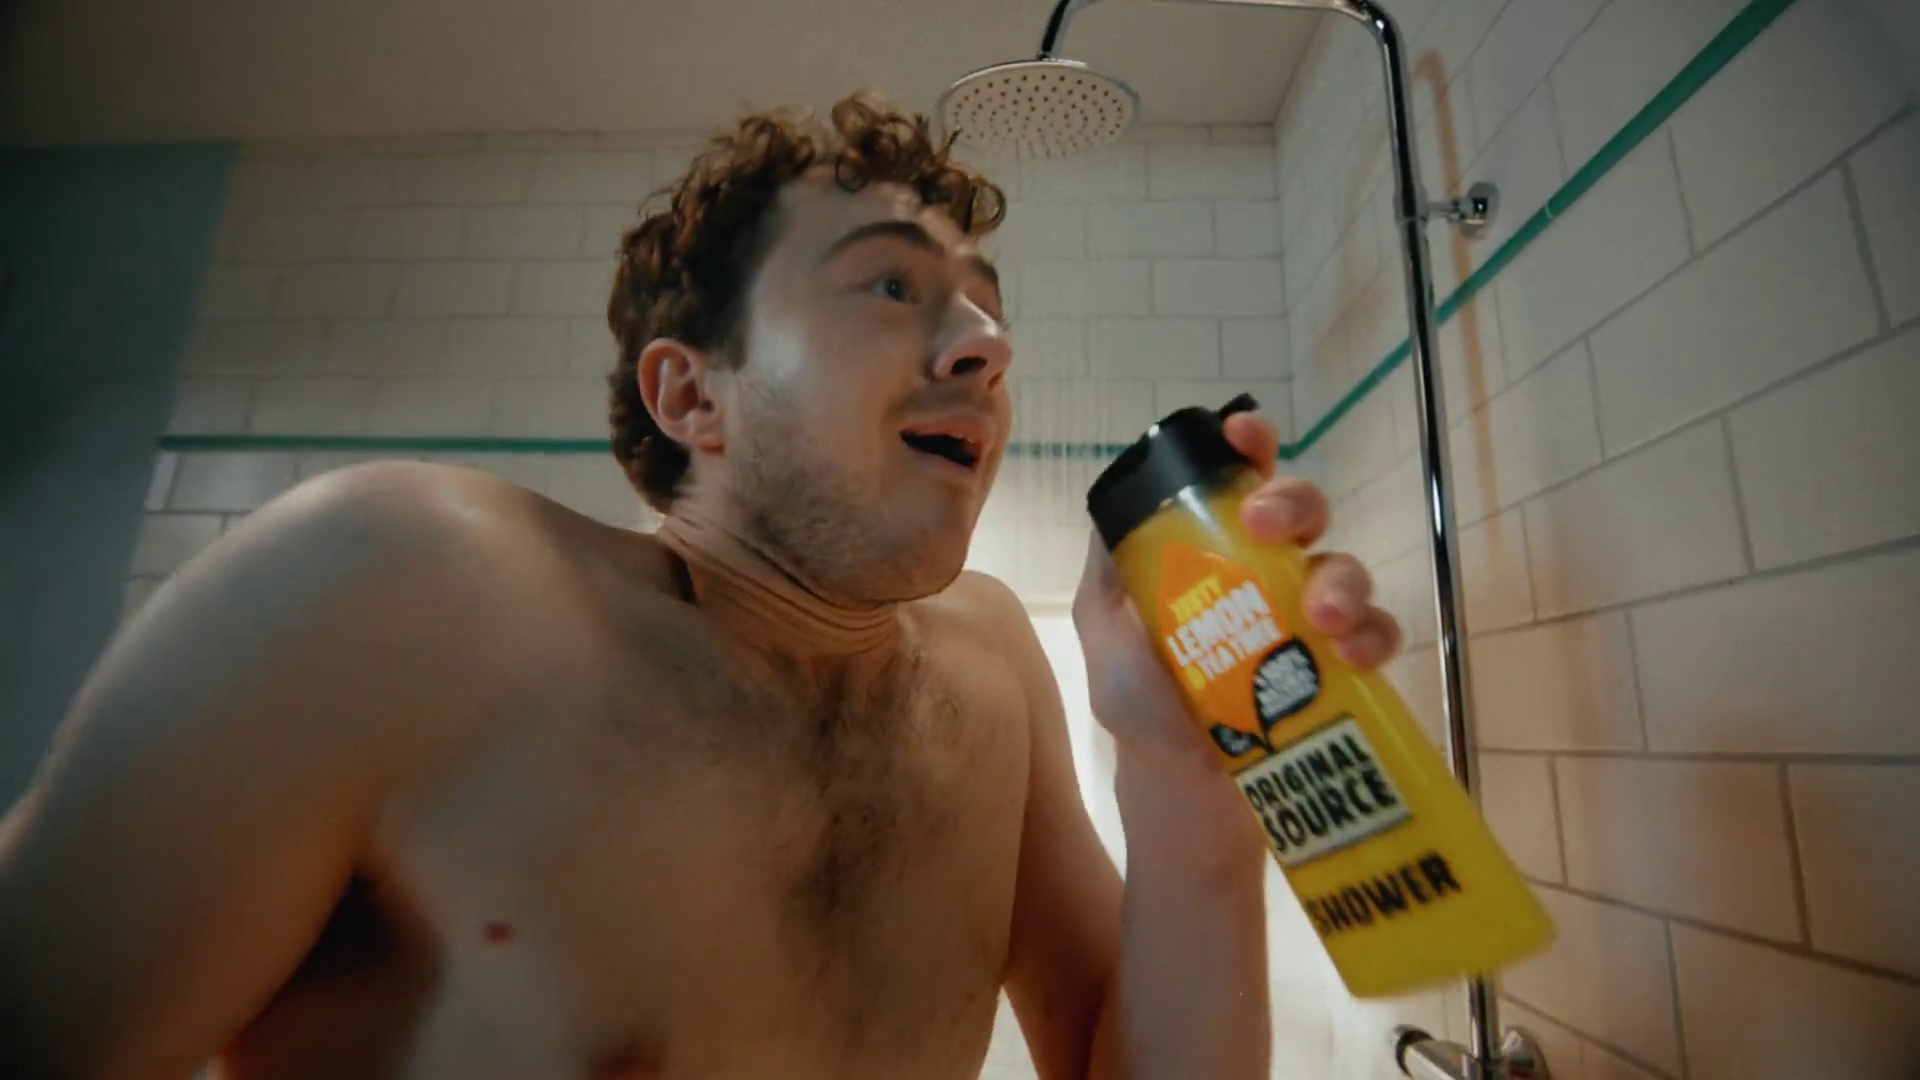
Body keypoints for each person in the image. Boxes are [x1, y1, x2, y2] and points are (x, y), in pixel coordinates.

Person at [0, 93, 1402, 1080]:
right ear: (693, 396)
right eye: (891, 287)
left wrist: (1190, 783)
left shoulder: (991, 668)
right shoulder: (406, 584)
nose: (985, 340)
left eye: (984, 302)